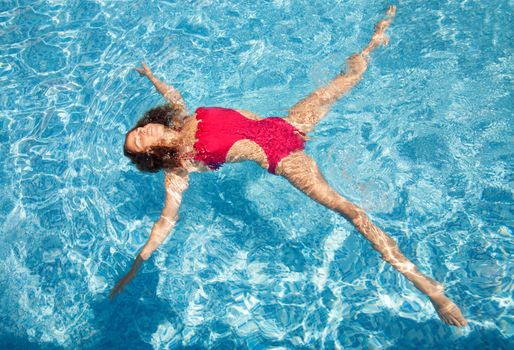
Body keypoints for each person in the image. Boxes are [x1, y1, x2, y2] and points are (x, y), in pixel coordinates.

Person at [109, 6, 467, 327]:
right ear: (151, 155)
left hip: (289, 124)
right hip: (285, 160)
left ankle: (378, 35)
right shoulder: (180, 168)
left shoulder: (181, 117)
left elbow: (173, 96)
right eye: (140, 140)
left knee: (347, 77)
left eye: (139, 129)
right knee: (353, 214)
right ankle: (430, 290)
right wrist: (137, 264)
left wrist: (152, 77)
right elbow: (166, 221)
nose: (144, 131)